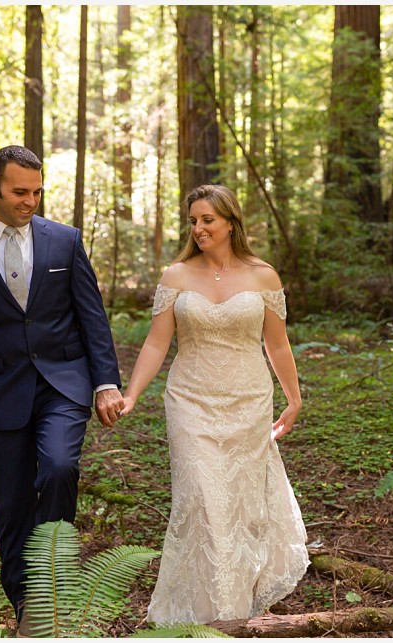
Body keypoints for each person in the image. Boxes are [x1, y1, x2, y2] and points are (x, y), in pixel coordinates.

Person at [0, 145, 124, 629]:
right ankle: (28, 606)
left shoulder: (65, 241)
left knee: (60, 466)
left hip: (64, 382)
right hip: (2, 392)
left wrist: (105, 382)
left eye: (37, 191)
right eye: (20, 191)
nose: (31, 201)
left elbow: (92, 318)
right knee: (12, 503)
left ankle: (55, 579)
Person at [120, 184, 309, 625]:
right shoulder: (177, 275)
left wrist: (294, 399)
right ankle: (209, 614)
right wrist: (131, 393)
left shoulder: (264, 276)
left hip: (248, 400)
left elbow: (277, 345)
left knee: (240, 505)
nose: (199, 228)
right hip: (189, 400)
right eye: (193, 221)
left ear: (230, 221)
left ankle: (236, 608)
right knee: (202, 499)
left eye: (208, 219)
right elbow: (155, 343)